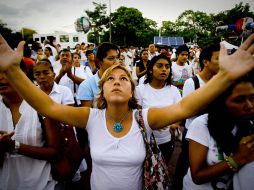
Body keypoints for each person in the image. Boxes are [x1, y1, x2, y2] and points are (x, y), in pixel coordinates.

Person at [0, 34, 254, 190]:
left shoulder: (144, 117)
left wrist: (225, 76)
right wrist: (13, 71)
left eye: (124, 78)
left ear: (132, 91)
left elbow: (185, 107)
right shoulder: (90, 117)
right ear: (103, 89)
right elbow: (47, 106)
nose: (118, 81)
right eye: (111, 78)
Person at [183, 73, 254, 189]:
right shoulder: (202, 125)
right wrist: (238, 158)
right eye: (239, 100)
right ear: (221, 101)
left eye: (252, 98)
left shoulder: (248, 125)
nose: (249, 105)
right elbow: (197, 176)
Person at [0, 62, 60, 190]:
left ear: (21, 75)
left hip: (41, 184)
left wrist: (14, 146)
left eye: (5, 72)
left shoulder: (41, 104)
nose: (0, 77)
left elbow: (55, 151)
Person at [173, 43, 221, 189]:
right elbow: (189, 110)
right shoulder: (192, 82)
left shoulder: (219, 82)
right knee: (186, 164)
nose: (222, 63)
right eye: (218, 59)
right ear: (205, 62)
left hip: (213, 131)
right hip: (193, 134)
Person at [136, 54, 182, 164]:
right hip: (144, 142)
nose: (164, 70)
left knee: (163, 172)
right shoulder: (140, 90)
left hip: (166, 141)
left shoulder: (174, 90)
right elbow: (136, 115)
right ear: (151, 70)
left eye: (167, 67)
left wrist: (175, 124)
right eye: (160, 66)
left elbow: (180, 112)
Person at [78, 42, 120, 107]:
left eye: (117, 58)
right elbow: (88, 115)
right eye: (111, 58)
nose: (116, 62)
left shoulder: (124, 82)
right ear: (99, 62)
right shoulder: (86, 86)